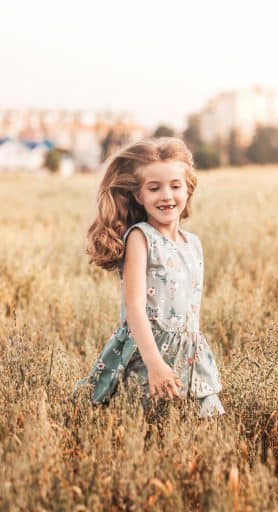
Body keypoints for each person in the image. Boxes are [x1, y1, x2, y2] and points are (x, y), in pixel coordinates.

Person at [74, 137, 224, 418]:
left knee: (200, 424)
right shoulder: (141, 237)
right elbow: (134, 309)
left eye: (175, 186)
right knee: (146, 426)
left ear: (188, 190)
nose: (166, 195)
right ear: (139, 196)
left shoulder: (193, 243)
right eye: (154, 188)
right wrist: (155, 364)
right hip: (147, 353)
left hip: (189, 354)